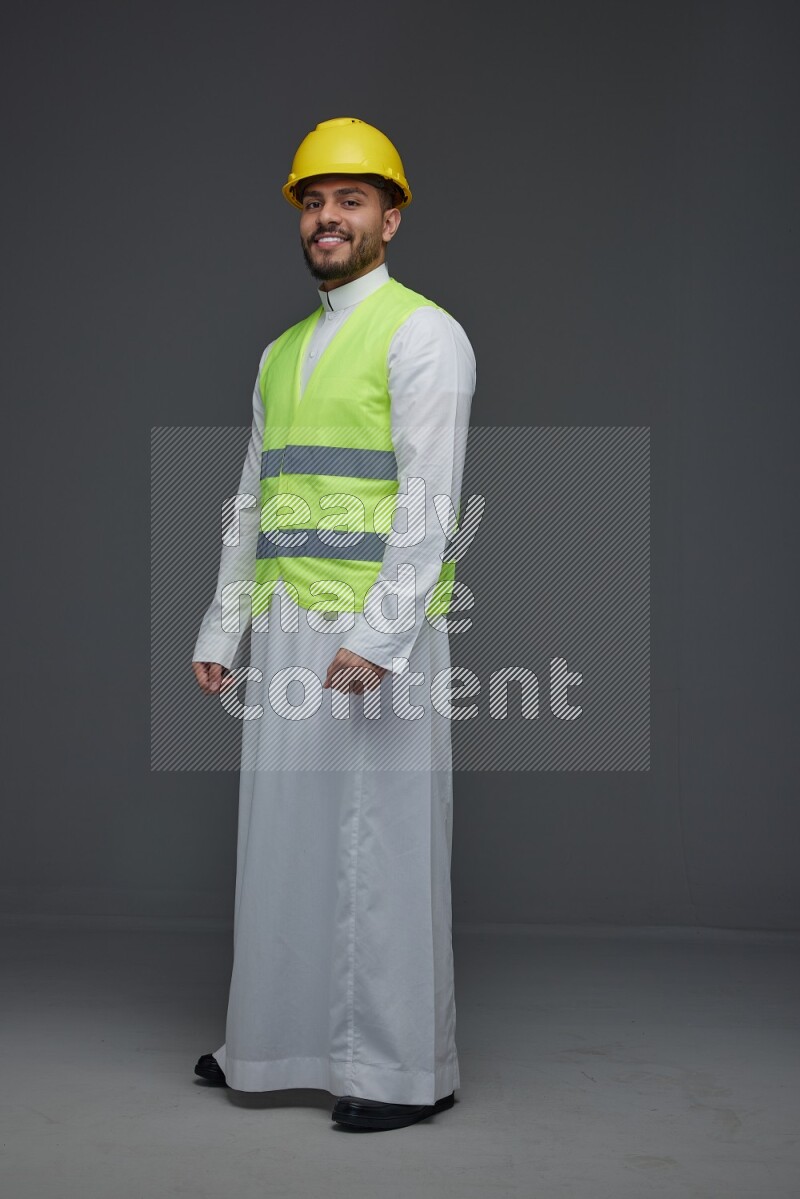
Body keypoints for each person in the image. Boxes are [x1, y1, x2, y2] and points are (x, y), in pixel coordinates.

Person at [190, 117, 476, 1132]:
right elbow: (252, 501)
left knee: (378, 850)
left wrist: (379, 637)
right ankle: (267, 1044)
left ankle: (401, 1072)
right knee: (284, 840)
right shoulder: (280, 353)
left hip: (372, 635)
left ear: (389, 219)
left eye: (351, 200)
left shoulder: (422, 334)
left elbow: (429, 503)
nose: (327, 216)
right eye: (313, 200)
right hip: (288, 627)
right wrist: (223, 628)